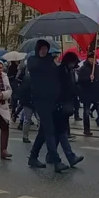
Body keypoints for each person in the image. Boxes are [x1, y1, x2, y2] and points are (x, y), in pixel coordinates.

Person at [26, 39, 68, 172]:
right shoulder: (33, 61)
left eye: (46, 49)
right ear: (38, 50)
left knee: (43, 132)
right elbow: (36, 67)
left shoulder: (51, 62)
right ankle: (56, 161)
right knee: (49, 130)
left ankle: (33, 157)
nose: (44, 51)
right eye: (41, 49)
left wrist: (61, 66)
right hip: (40, 101)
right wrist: (50, 62)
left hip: (52, 101)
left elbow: (57, 78)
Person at [54, 52, 84, 167]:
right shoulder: (60, 71)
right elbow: (59, 88)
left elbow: (72, 86)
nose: (73, 65)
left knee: (58, 132)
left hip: (66, 104)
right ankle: (70, 157)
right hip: (59, 105)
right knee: (62, 132)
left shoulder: (69, 71)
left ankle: (49, 155)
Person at [77, 51, 99, 139]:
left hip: (97, 93)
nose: (93, 60)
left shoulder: (98, 67)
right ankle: (87, 129)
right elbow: (80, 81)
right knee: (86, 112)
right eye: (91, 58)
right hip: (87, 94)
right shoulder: (83, 68)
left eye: (94, 58)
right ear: (88, 58)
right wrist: (88, 79)